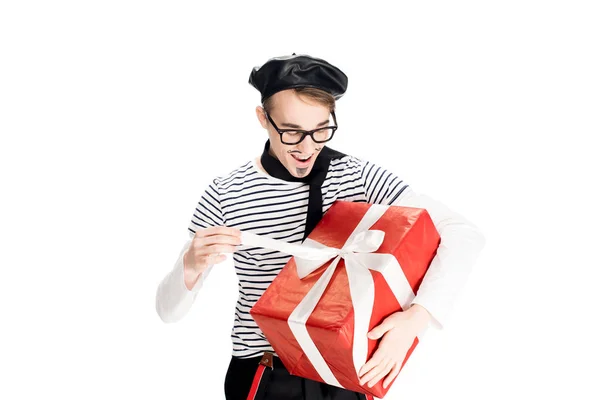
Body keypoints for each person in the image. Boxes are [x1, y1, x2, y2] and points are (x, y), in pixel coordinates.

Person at [155, 53, 486, 400]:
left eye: (321, 130)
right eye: (291, 132)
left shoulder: (358, 177)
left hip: (343, 374)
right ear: (263, 119)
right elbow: (168, 311)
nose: (307, 147)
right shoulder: (226, 193)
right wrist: (190, 265)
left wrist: (415, 320)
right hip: (264, 376)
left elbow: (463, 234)